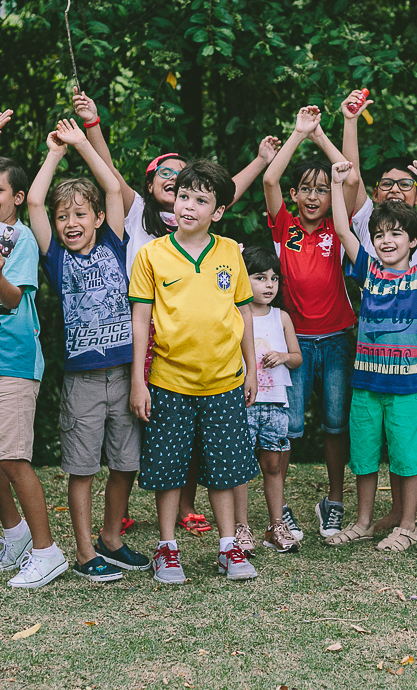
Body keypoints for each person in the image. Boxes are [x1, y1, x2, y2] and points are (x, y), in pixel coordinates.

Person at [71, 89, 275, 536]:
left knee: (194, 433)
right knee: (148, 432)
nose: (175, 183)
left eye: (182, 178)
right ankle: (122, 513)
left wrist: (260, 160)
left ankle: (190, 510)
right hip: (151, 343)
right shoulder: (137, 214)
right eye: (165, 176)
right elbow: (107, 173)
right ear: (151, 185)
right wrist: (91, 126)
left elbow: (224, 191)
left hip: (210, 359)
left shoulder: (214, 236)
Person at [27, 118, 150, 582]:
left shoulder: (116, 245)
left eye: (80, 214)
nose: (71, 223)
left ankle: (111, 539)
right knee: (83, 468)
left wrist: (83, 142)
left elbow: (113, 189)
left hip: (124, 374)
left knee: (125, 463)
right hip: (81, 379)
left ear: (98, 218)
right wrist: (57, 152)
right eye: (63, 217)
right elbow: (35, 200)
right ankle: (84, 553)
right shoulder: (56, 257)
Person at [128, 160, 260, 582]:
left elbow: (244, 314)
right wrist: (138, 381)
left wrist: (251, 370)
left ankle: (228, 549)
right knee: (168, 468)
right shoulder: (152, 255)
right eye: (184, 196)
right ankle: (167, 549)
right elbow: (141, 322)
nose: (189, 206)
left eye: (201, 200)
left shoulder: (229, 253)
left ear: (217, 211)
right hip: (169, 381)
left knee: (224, 468)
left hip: (224, 381)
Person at [340, 90, 417, 537]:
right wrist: (350, 122)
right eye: (386, 183)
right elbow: (347, 181)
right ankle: (386, 517)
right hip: (374, 361)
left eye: (404, 183)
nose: (394, 188)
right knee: (381, 434)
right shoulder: (371, 235)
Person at [0, 109, 65, 589]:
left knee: (13, 459)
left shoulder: (19, 238)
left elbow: (14, 298)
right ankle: (16, 533)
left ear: (17, 198)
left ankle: (47, 551)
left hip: (15, 366)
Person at [324, 158, 417, 552]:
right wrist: (339, 183)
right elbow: (342, 229)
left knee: (407, 457)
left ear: (413, 240)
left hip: (406, 387)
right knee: (363, 456)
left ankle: (407, 526)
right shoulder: (369, 271)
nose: (386, 240)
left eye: (395, 233)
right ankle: (363, 522)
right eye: (379, 235)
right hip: (365, 385)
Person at [262, 105, 362, 539]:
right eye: (305, 188)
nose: (313, 196)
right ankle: (279, 507)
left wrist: (323, 137)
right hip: (295, 342)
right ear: (295, 194)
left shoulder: (338, 226)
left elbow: (352, 178)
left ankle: (334, 501)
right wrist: (299, 133)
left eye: (322, 189)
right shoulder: (284, 226)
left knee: (337, 424)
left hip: (338, 337)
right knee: (289, 428)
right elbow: (269, 179)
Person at [232, 246, 304, 555]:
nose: (269, 285)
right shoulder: (235, 315)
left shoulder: (282, 317)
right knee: (240, 467)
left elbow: (298, 358)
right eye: (260, 277)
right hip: (243, 403)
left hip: (276, 403)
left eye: (274, 278)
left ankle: (276, 526)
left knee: (274, 465)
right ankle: (240, 528)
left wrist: (284, 356)